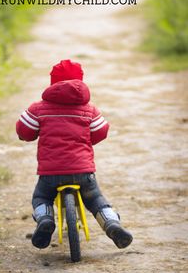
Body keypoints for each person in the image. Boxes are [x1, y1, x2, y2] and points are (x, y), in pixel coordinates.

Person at [16, 59, 133, 250]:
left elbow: (24, 130)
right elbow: (101, 131)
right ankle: (112, 224)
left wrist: (27, 136)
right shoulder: (89, 109)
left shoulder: (39, 108)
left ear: (53, 83)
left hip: (50, 174)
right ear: (80, 82)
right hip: (83, 172)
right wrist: (87, 140)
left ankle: (45, 219)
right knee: (95, 199)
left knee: (41, 197)